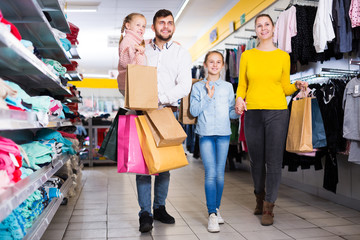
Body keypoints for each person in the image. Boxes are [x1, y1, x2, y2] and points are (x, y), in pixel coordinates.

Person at [234, 14, 308, 226]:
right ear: (255, 30)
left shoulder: (283, 56)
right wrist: (239, 98)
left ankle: (269, 206)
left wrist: (296, 86)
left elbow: (284, 87)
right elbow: (242, 85)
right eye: (259, 25)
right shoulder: (247, 56)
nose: (263, 28)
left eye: (267, 24)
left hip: (278, 111)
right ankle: (259, 195)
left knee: (274, 161)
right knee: (256, 161)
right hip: (254, 112)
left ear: (274, 28)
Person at [136, 9, 192, 233]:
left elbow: (184, 85)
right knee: (143, 166)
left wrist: (160, 98)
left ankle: (159, 207)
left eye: (170, 23)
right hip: (142, 112)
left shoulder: (180, 53)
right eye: (162, 23)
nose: (166, 26)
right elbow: (130, 75)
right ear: (154, 27)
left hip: (167, 111)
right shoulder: (142, 50)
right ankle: (145, 213)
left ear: (174, 27)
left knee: (164, 164)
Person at [190, 51, 239, 233]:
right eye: (211, 62)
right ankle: (211, 214)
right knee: (210, 174)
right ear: (205, 64)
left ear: (223, 65)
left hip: (224, 134)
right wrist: (208, 96)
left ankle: (216, 209)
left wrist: (239, 110)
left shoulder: (227, 87)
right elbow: (194, 111)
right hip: (206, 135)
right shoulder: (197, 87)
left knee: (220, 174)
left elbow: (231, 113)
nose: (215, 65)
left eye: (219, 62)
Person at [117, 13, 147, 96]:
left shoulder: (134, 41)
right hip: (128, 83)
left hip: (130, 83)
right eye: (138, 25)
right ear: (128, 25)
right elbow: (124, 61)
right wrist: (135, 50)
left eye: (143, 26)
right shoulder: (128, 41)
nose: (141, 28)